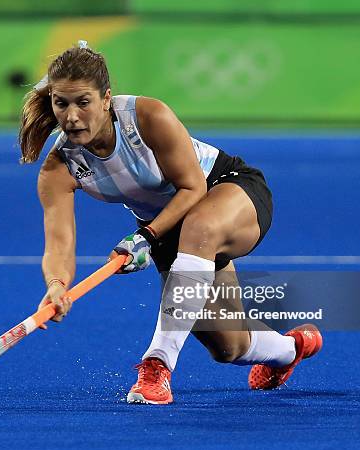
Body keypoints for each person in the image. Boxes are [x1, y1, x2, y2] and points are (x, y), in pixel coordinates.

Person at [18, 42, 322, 405]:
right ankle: (292, 349)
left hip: (224, 190)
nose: (71, 116)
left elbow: (192, 188)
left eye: (83, 102)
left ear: (105, 99)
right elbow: (59, 244)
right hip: (166, 229)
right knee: (229, 346)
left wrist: (145, 235)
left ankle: (156, 366)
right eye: (61, 103)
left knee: (200, 227)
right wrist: (56, 285)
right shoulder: (58, 168)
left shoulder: (146, 116)